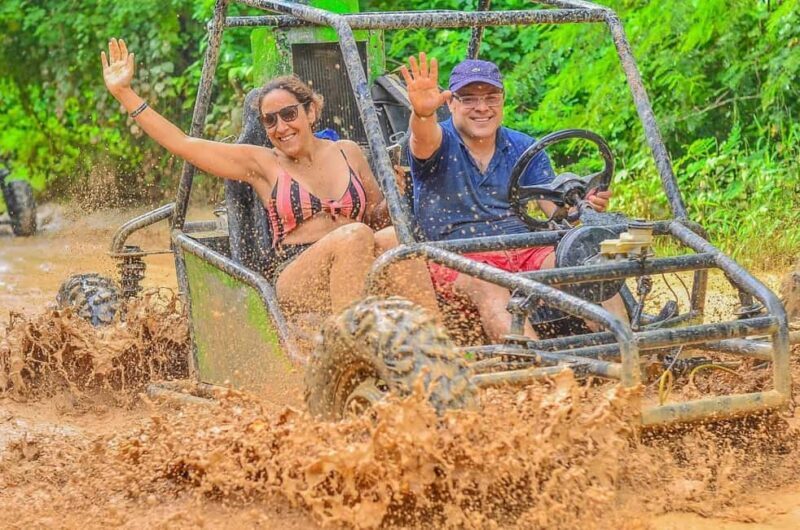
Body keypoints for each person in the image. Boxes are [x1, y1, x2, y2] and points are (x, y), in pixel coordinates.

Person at [100, 38, 440, 319]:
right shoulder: (262, 163)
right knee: (353, 235)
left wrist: (395, 192)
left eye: (289, 114)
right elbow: (183, 144)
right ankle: (350, 348)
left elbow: (376, 215)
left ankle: (434, 345)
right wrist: (125, 94)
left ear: (310, 112)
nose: (281, 127)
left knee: (394, 237)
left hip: (357, 256)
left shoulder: (348, 152)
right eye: (270, 121)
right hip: (295, 272)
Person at [376, 53, 620, 342]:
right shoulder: (439, 140)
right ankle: (538, 372)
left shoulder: (523, 146)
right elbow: (422, 140)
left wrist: (579, 203)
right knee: (489, 284)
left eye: (491, 97)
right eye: (468, 99)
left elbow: (554, 210)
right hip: (458, 257)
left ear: (502, 100)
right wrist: (423, 114)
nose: (482, 108)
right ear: (451, 103)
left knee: (587, 264)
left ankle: (630, 355)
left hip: (525, 248)